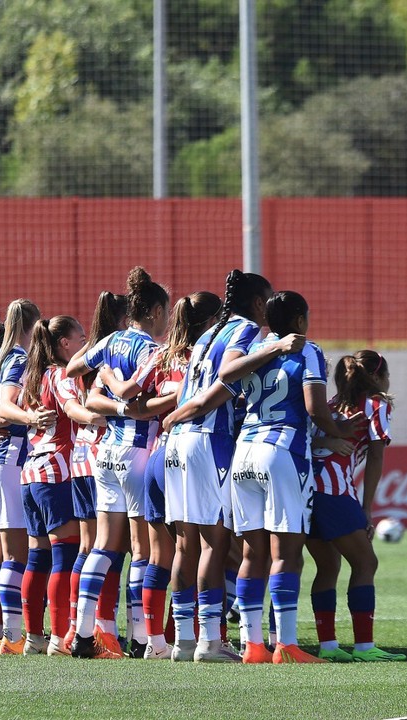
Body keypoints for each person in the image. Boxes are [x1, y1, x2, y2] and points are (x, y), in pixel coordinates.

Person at [219, 291, 360, 664]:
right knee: (286, 554)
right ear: (299, 320)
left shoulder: (256, 346)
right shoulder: (307, 349)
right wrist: (340, 430)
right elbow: (315, 408)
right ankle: (287, 645)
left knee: (252, 552)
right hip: (282, 453)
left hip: (244, 451)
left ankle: (252, 646)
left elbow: (226, 375)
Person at [101, 291, 223, 659]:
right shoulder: (210, 356)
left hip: (156, 456)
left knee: (161, 554)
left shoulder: (160, 353)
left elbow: (125, 394)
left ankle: (155, 642)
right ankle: (206, 636)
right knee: (215, 548)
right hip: (195, 453)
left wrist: (105, 372)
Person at [160, 269, 273, 663]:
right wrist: (271, 352)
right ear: (259, 303)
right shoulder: (243, 329)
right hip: (208, 438)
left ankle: (183, 640)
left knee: (184, 543)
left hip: (178, 442)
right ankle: (209, 641)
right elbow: (226, 376)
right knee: (214, 541)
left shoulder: (208, 332)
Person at [70, 268, 169, 659]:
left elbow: (75, 367)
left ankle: (81, 635)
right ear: (157, 311)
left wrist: (104, 369)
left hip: (105, 452)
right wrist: (117, 384)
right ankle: (143, 640)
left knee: (103, 545)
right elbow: (129, 392)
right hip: (135, 453)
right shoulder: (152, 350)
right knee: (141, 549)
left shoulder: (111, 341)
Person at [308, 351, 406, 662]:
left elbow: (308, 440)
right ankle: (364, 646)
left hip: (305, 489)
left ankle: (329, 646)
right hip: (334, 491)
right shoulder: (377, 404)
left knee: (328, 566)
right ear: (377, 377)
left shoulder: (332, 404)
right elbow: (376, 455)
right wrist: (366, 508)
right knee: (366, 563)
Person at [18, 316, 105, 656]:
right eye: (80, 337)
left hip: (31, 473)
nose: (85, 342)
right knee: (65, 555)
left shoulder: (32, 377)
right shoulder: (58, 374)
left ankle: (34, 637)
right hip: (55, 471)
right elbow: (72, 408)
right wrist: (100, 415)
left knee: (38, 557)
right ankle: (60, 637)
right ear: (64, 344)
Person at [0, 299, 52, 654]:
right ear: (34, 328)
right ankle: (13, 636)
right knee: (14, 556)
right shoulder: (18, 359)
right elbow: (4, 406)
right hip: (7, 462)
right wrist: (30, 418)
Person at [66, 292, 127, 646]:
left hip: (82, 458)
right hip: (104, 452)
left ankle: (83, 624)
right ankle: (104, 628)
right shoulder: (124, 354)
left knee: (91, 548)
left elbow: (73, 368)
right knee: (109, 549)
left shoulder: (93, 354)